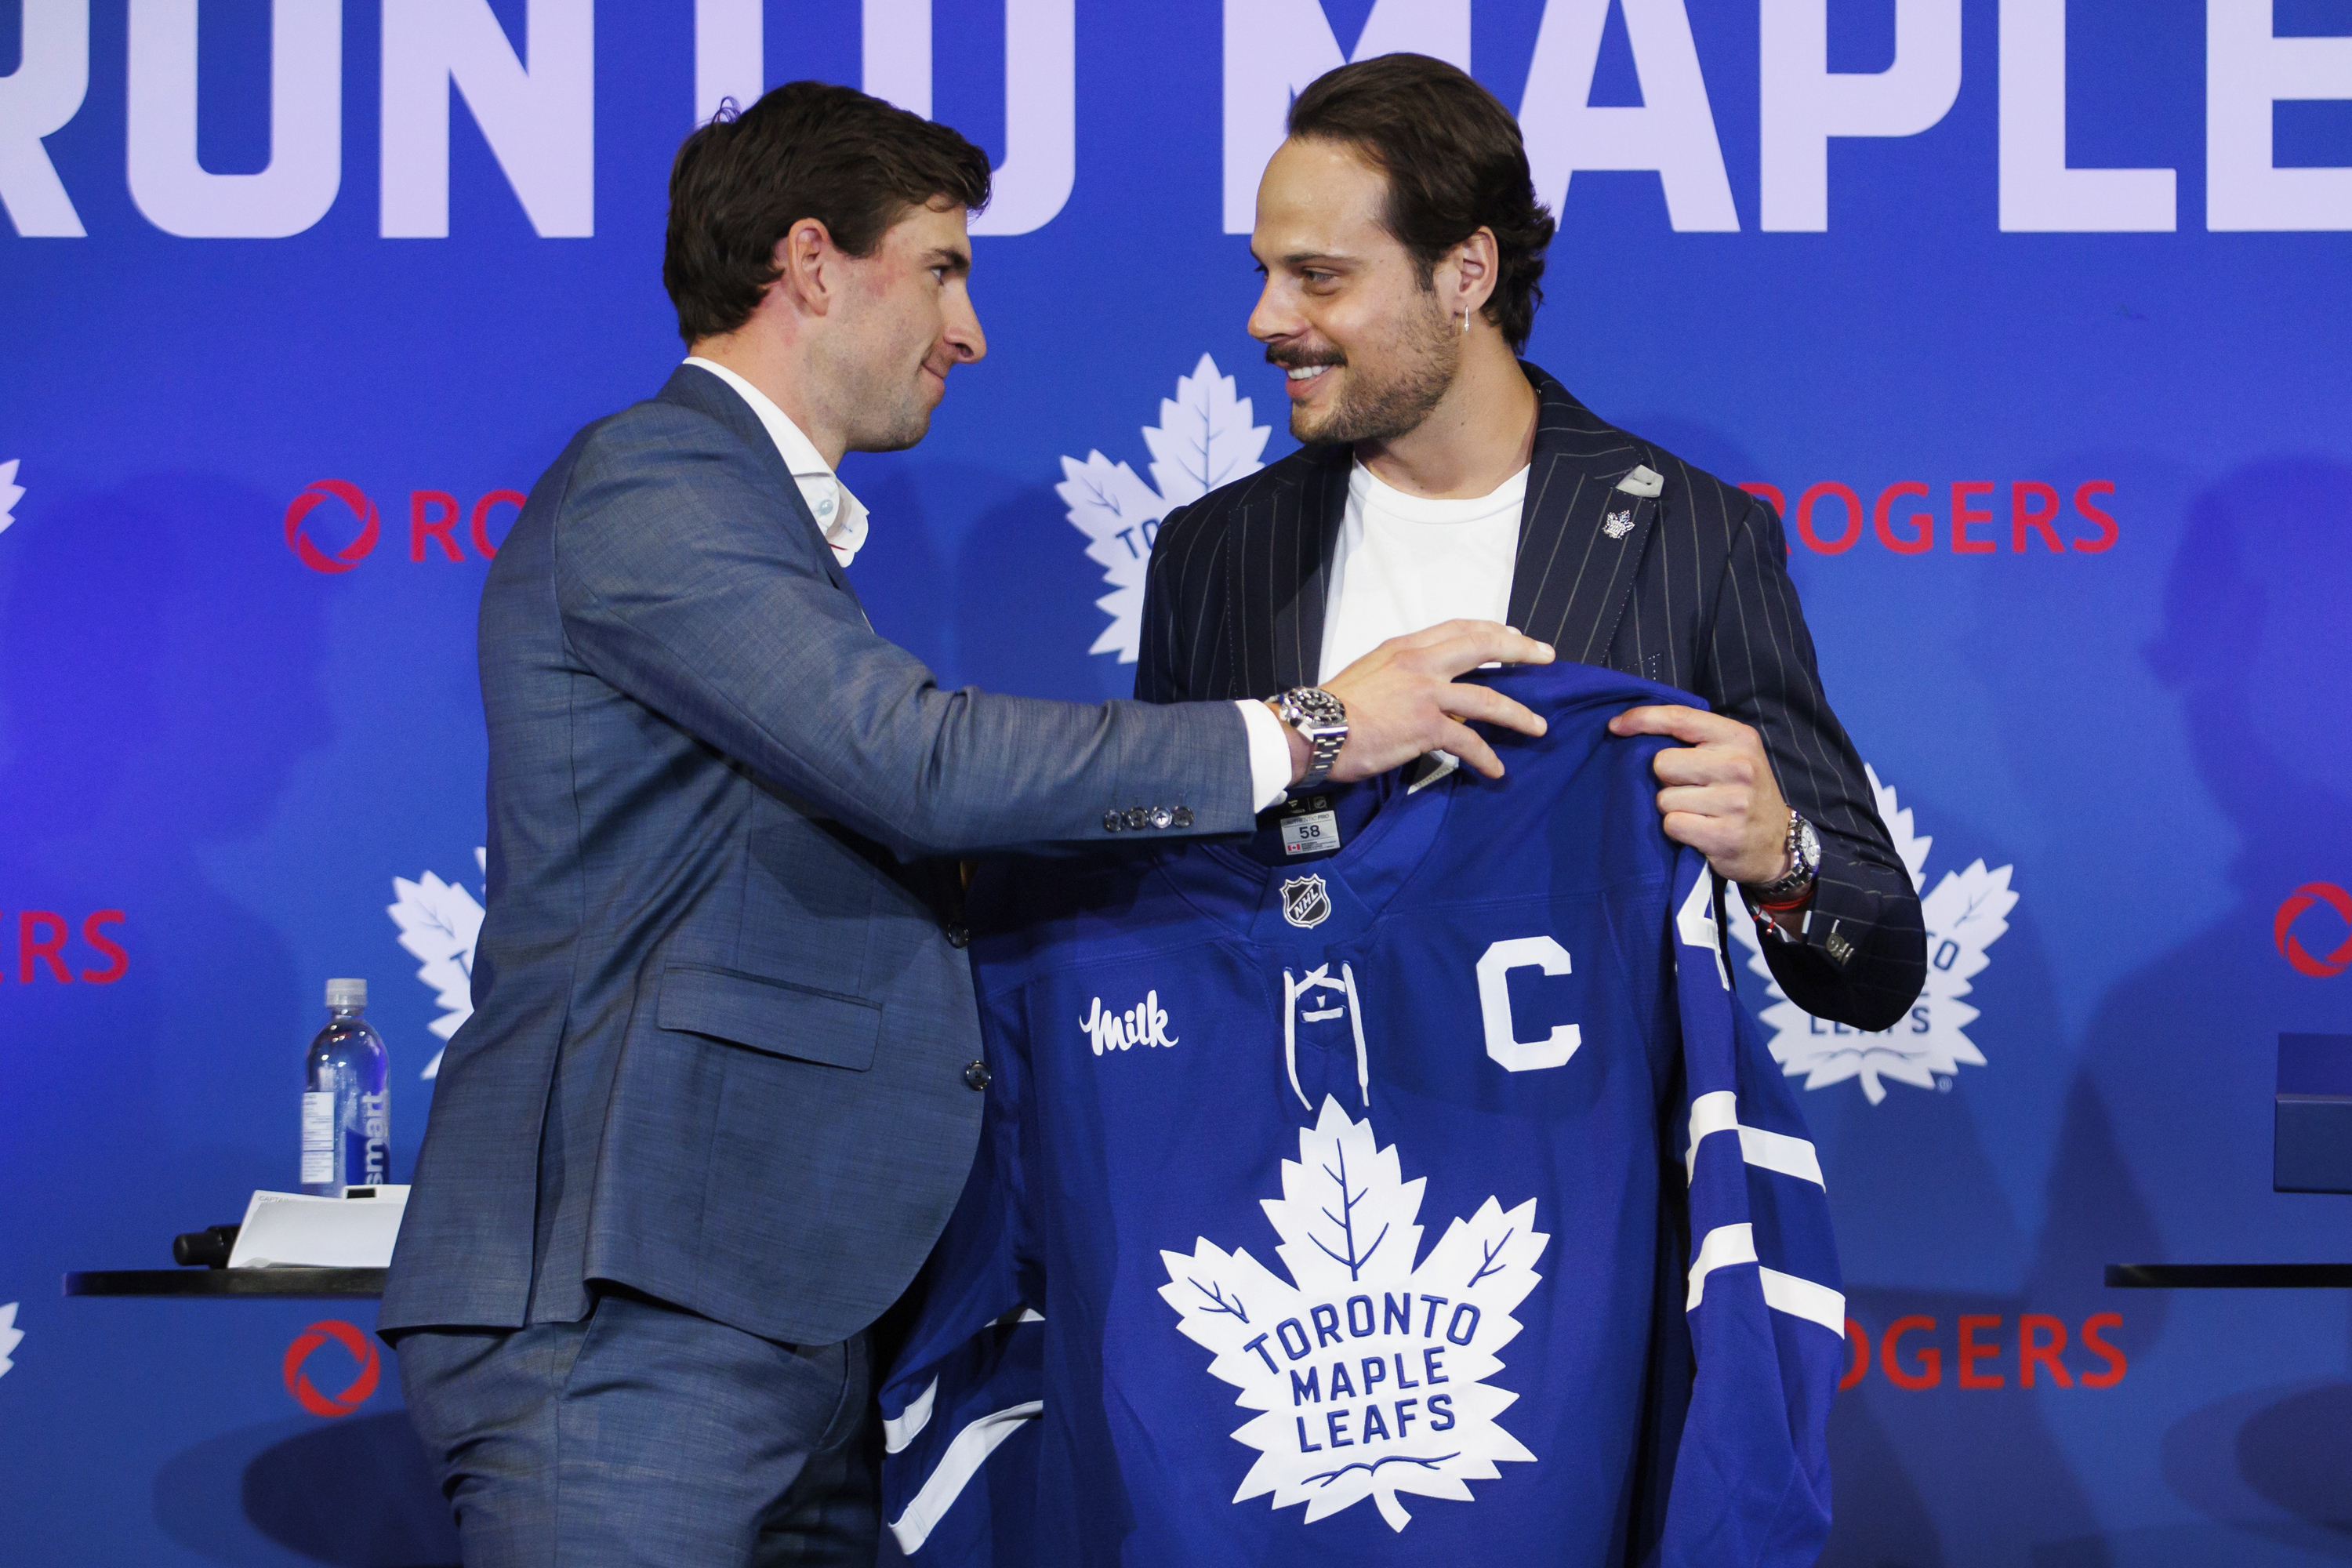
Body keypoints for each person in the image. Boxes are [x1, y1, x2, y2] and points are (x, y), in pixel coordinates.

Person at [379, 81, 1555, 1568]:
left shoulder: (756, 524)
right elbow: (914, 764)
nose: (971, 329)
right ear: (812, 265)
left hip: (786, 1317)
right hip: (626, 1316)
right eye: (941, 268)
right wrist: (1317, 730)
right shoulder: (653, 484)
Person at [1138, 55, 1926, 1029]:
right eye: (1265, 272)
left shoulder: (1694, 535)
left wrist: (1781, 855)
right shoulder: (1213, 550)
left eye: (1319, 278)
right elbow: (1161, 904)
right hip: (1292, 1149)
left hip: (1585, 1160)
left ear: (1467, 271)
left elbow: (1880, 969)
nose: (1267, 317)